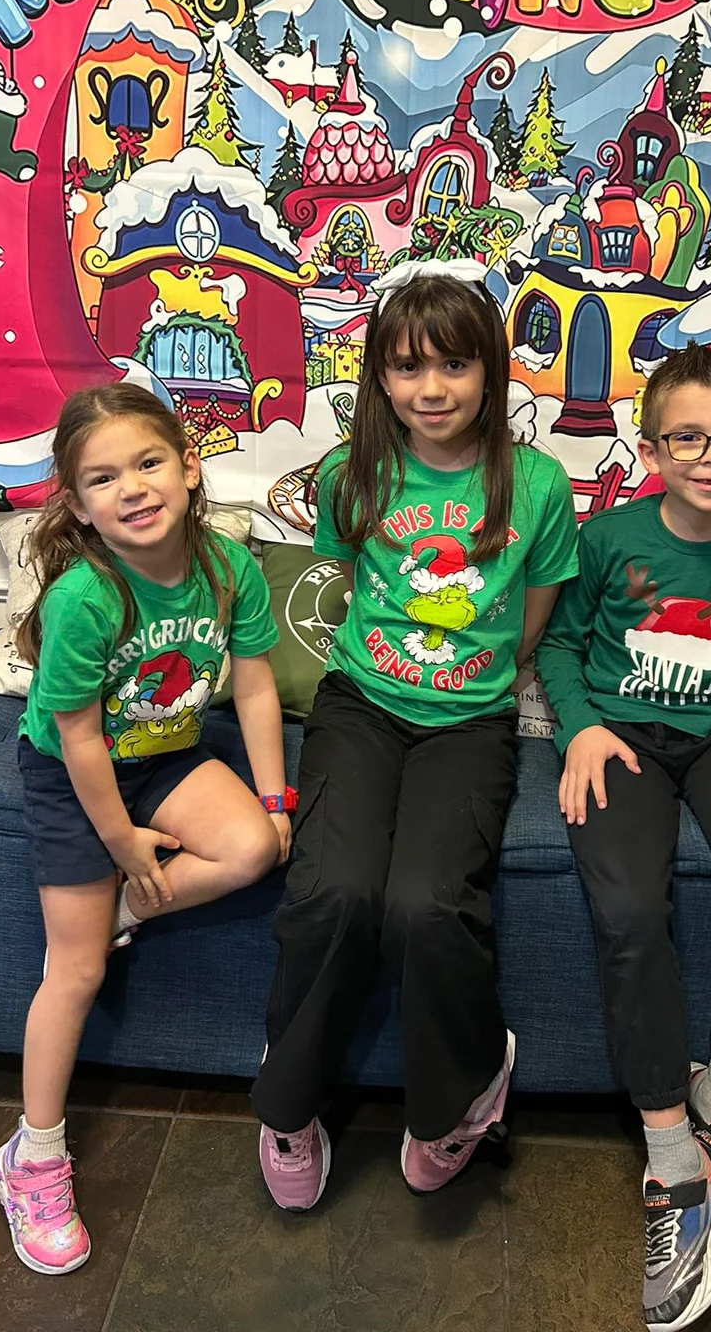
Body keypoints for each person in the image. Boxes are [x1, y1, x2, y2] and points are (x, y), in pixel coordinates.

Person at [251, 261, 579, 1209]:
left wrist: (477, 672)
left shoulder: (541, 484)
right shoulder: (356, 476)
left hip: (470, 723)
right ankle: (290, 1104)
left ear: (491, 372)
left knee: (428, 905)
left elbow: (539, 609)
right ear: (379, 380)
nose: (431, 389)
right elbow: (346, 581)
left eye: (454, 366)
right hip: (361, 707)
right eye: (406, 368)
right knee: (335, 890)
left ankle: (462, 1097)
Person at [537, 341, 711, 1330]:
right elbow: (563, 646)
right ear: (653, 444)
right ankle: (671, 1152)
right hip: (621, 738)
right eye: (690, 435)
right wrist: (581, 730)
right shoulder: (611, 539)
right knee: (625, 904)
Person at [0, 383, 290, 1275]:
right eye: (104, 477)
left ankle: (128, 908)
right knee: (73, 969)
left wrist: (275, 802)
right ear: (78, 507)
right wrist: (122, 839)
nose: (133, 487)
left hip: (164, 752)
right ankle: (33, 1159)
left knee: (254, 849)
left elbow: (256, 686)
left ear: (190, 468)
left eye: (149, 461)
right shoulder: (86, 596)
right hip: (75, 773)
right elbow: (78, 737)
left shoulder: (229, 568)